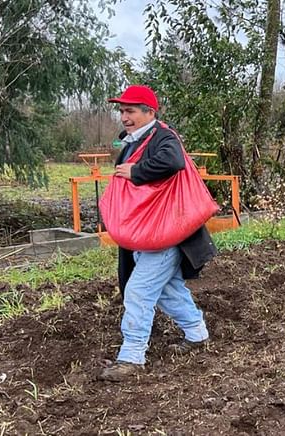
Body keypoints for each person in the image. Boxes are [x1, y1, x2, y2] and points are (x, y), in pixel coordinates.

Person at [98, 84, 217, 382]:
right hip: (148, 232)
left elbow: (173, 161)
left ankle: (132, 357)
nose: (124, 117)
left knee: (139, 291)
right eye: (122, 111)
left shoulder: (163, 136)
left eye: (131, 111)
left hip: (164, 236)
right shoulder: (133, 141)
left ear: (149, 112)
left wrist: (135, 171)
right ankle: (197, 335)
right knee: (167, 290)